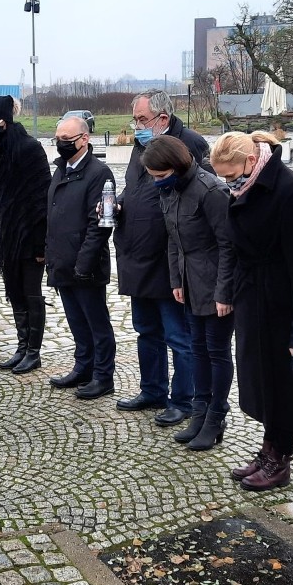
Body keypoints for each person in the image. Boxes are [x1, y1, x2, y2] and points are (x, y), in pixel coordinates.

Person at [209, 131, 293, 491]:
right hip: (253, 297)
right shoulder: (245, 187)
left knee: (283, 385)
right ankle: (268, 450)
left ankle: (280, 459)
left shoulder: (290, 191)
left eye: (230, 175)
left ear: (251, 161)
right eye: (223, 178)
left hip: (281, 302)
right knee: (262, 381)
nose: (228, 183)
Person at [113, 90, 208, 427]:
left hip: (170, 261)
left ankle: (183, 399)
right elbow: (135, 186)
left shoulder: (188, 144)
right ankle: (152, 390)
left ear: (162, 119)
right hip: (137, 256)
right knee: (146, 331)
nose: (137, 126)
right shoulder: (143, 144)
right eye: (135, 120)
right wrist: (119, 203)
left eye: (142, 120)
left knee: (178, 336)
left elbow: (197, 198)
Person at [141, 135, 235, 450]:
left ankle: (216, 414)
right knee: (197, 349)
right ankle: (200, 411)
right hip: (189, 283)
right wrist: (175, 280)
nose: (157, 183)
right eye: (153, 178)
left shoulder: (210, 191)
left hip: (216, 285)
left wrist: (224, 291)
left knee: (216, 351)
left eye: (161, 177)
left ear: (178, 167)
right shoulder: (170, 191)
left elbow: (227, 245)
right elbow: (173, 239)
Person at [46, 117, 116, 400]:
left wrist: (84, 264)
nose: (61, 143)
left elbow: (102, 223)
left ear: (84, 139)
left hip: (86, 265)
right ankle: (83, 366)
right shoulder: (60, 170)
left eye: (67, 138)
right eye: (57, 138)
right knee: (76, 321)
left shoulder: (100, 173)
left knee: (97, 323)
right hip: (62, 261)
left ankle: (103, 375)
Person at [0, 95, 51, 374]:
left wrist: (40, 245)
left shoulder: (30, 148)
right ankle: (22, 347)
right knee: (15, 292)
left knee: (32, 293)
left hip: (31, 235)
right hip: (8, 235)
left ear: (6, 121)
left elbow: (41, 200)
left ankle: (34, 352)